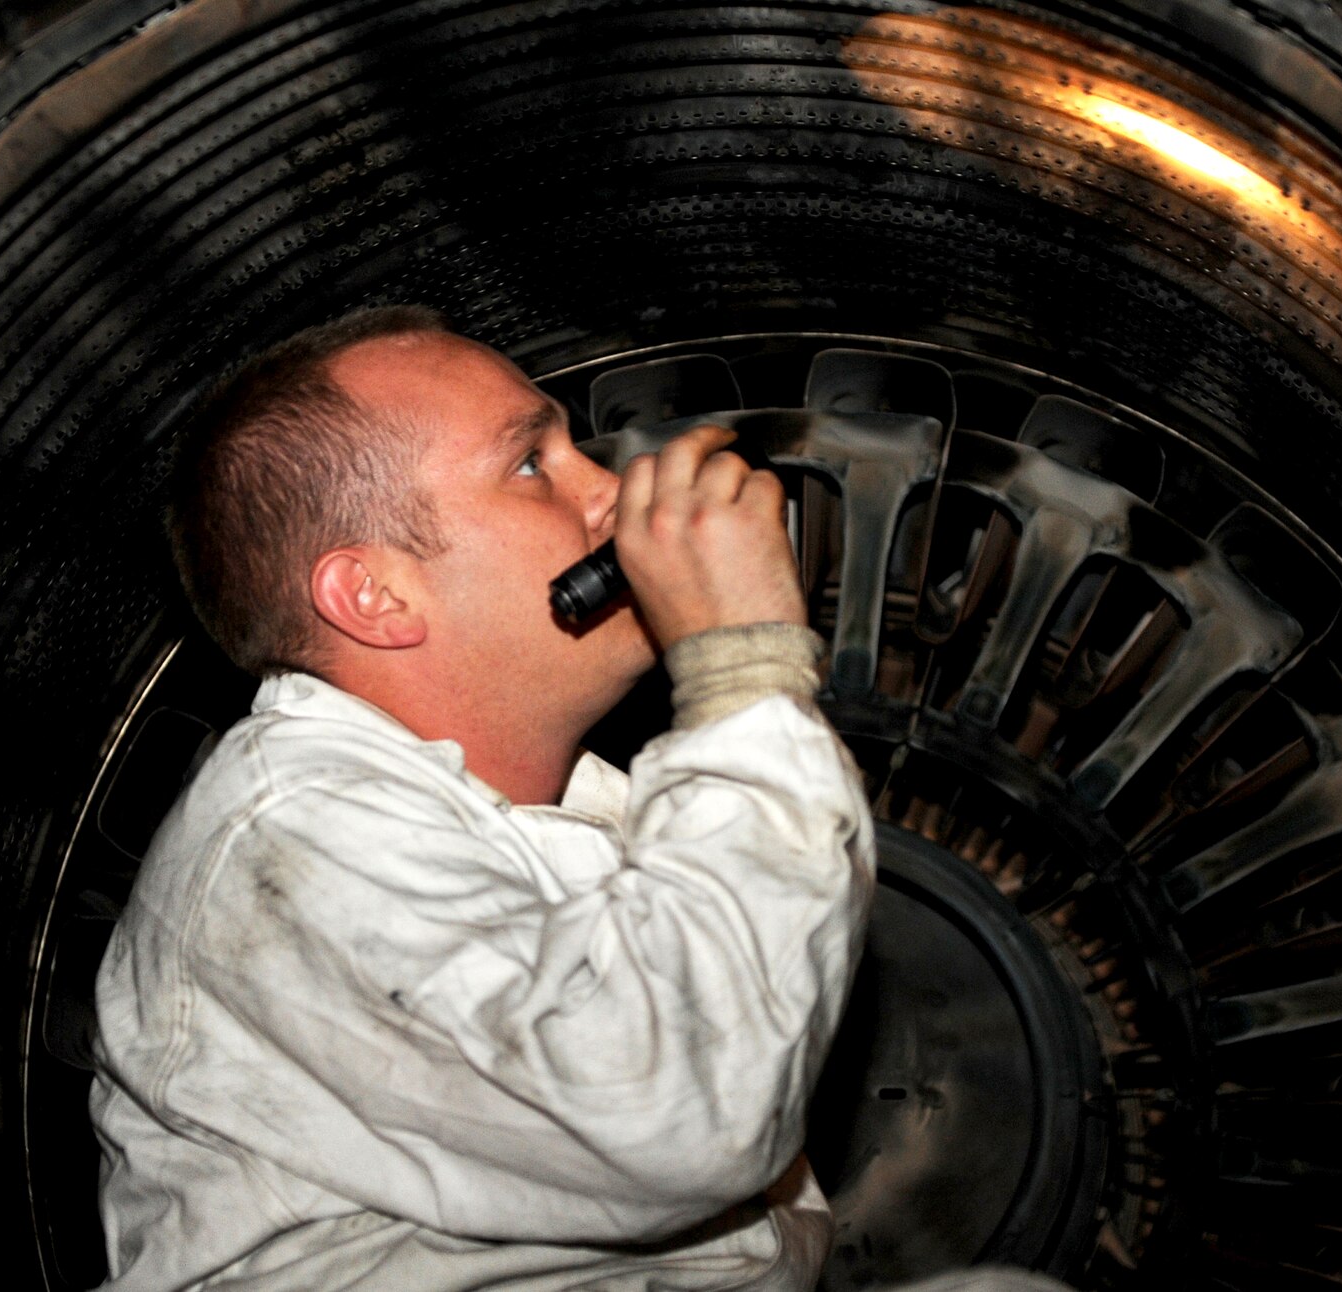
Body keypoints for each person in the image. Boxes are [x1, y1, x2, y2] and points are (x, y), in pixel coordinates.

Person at [88, 304, 878, 1291]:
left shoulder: (585, 816)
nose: (611, 493)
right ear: (373, 594)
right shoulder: (286, 840)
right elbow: (677, 1114)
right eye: (532, 464)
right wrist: (741, 668)